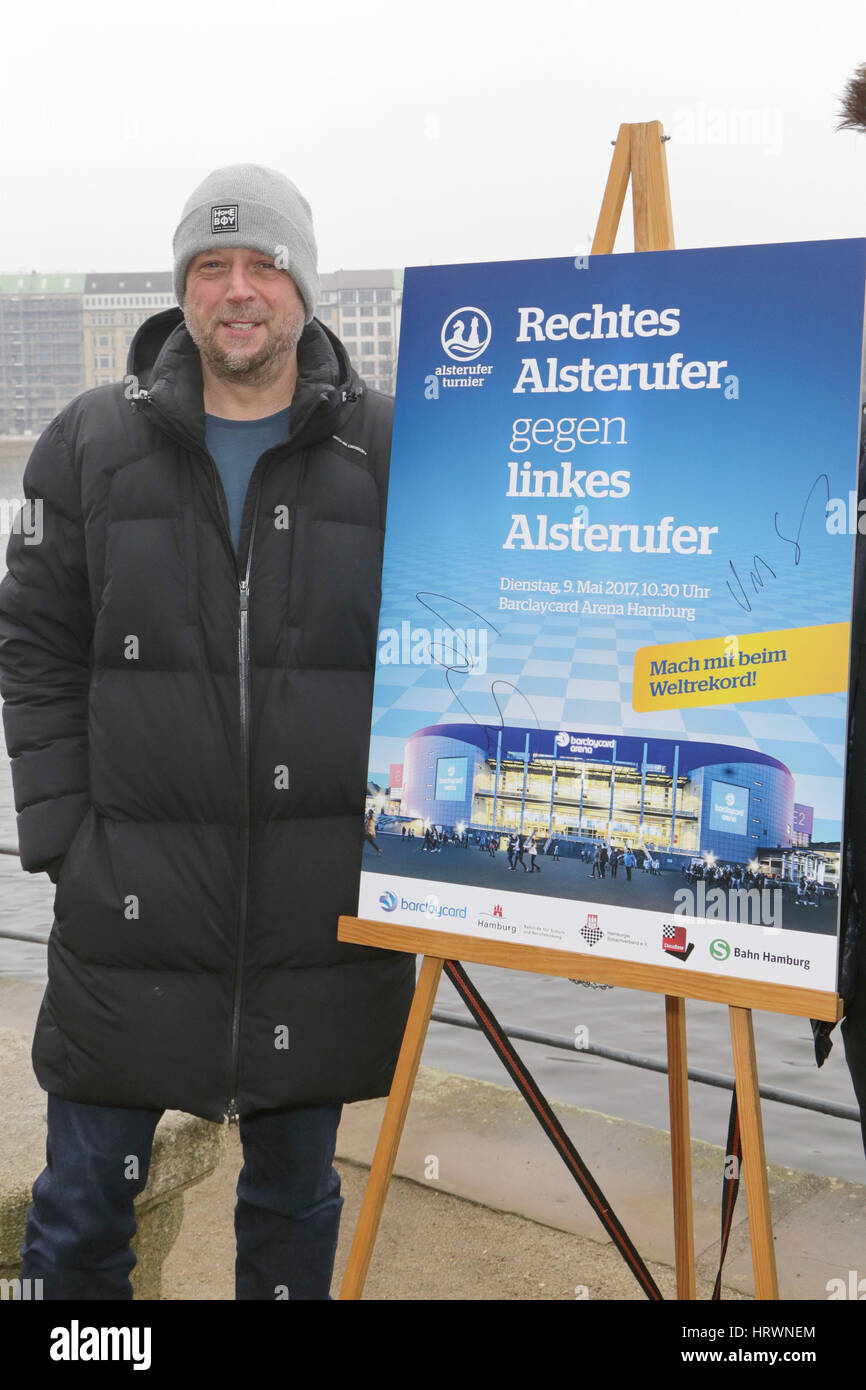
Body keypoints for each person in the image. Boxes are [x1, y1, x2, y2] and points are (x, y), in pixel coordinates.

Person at [0, 163, 416, 1300]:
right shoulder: (86, 442)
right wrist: (63, 838)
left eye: (264, 266)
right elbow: (32, 646)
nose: (239, 290)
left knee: (291, 1201)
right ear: (182, 289)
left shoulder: (391, 447)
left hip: (316, 908)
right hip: (128, 905)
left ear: (303, 288)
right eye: (211, 266)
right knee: (82, 1210)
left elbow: (450, 652)